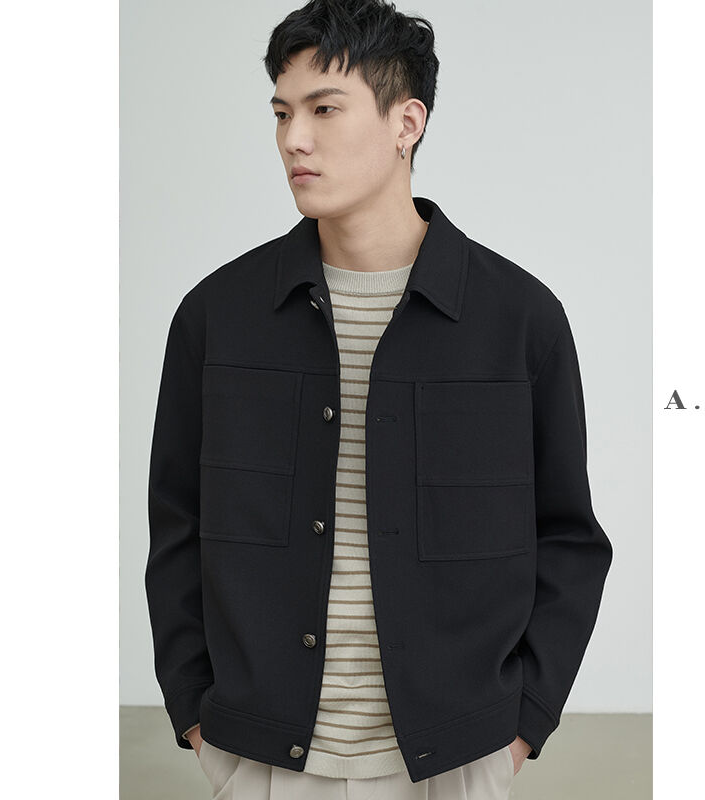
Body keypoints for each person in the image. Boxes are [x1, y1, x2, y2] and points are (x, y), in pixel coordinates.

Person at [144, 1, 613, 798]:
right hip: (259, 760)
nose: (294, 139)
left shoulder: (519, 321)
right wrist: (194, 712)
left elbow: (568, 538)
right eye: (282, 113)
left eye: (325, 109)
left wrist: (522, 727)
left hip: (458, 759)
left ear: (407, 123)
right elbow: (177, 529)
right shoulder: (216, 318)